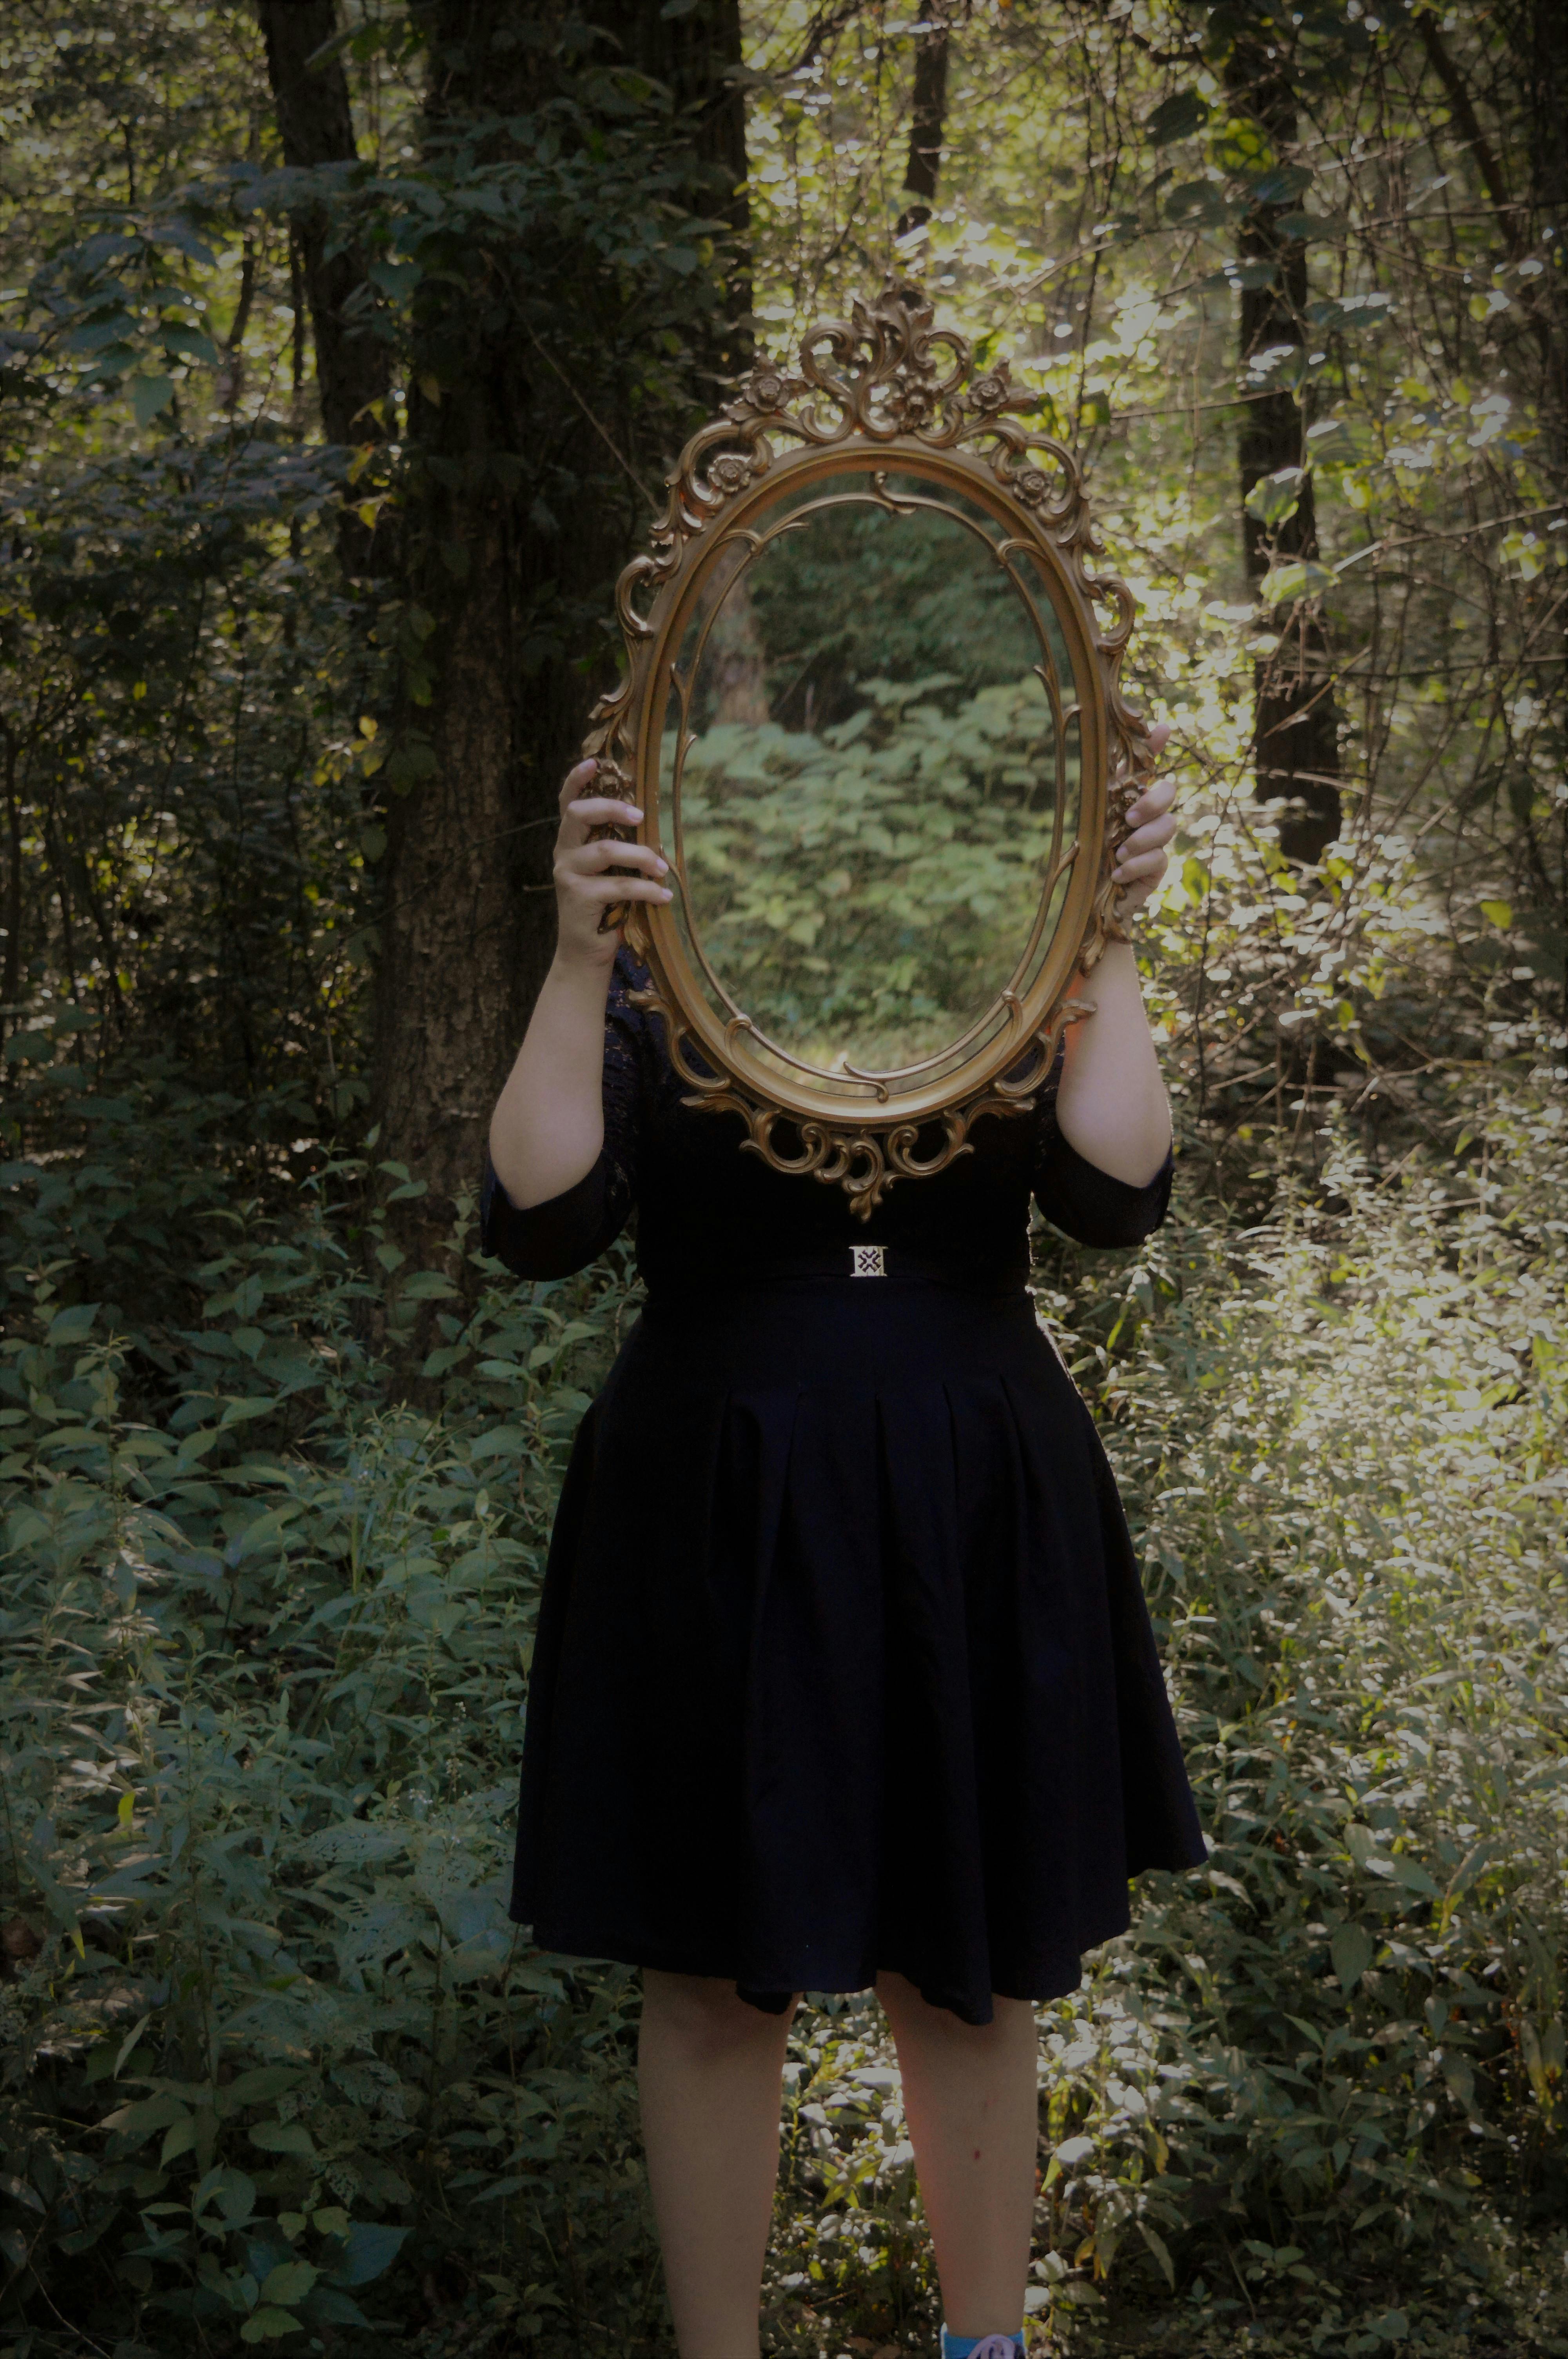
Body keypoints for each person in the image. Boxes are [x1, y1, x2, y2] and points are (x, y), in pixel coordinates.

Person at [482, 728, 1205, 2359]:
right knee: (705, 1968)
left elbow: (1115, 1192)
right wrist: (571, 948)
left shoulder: (1010, 940)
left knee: (969, 1961)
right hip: (713, 1478)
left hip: (970, 1470)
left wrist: (1113, 939)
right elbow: (537, 1220)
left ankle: (984, 2346)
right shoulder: (652, 951)